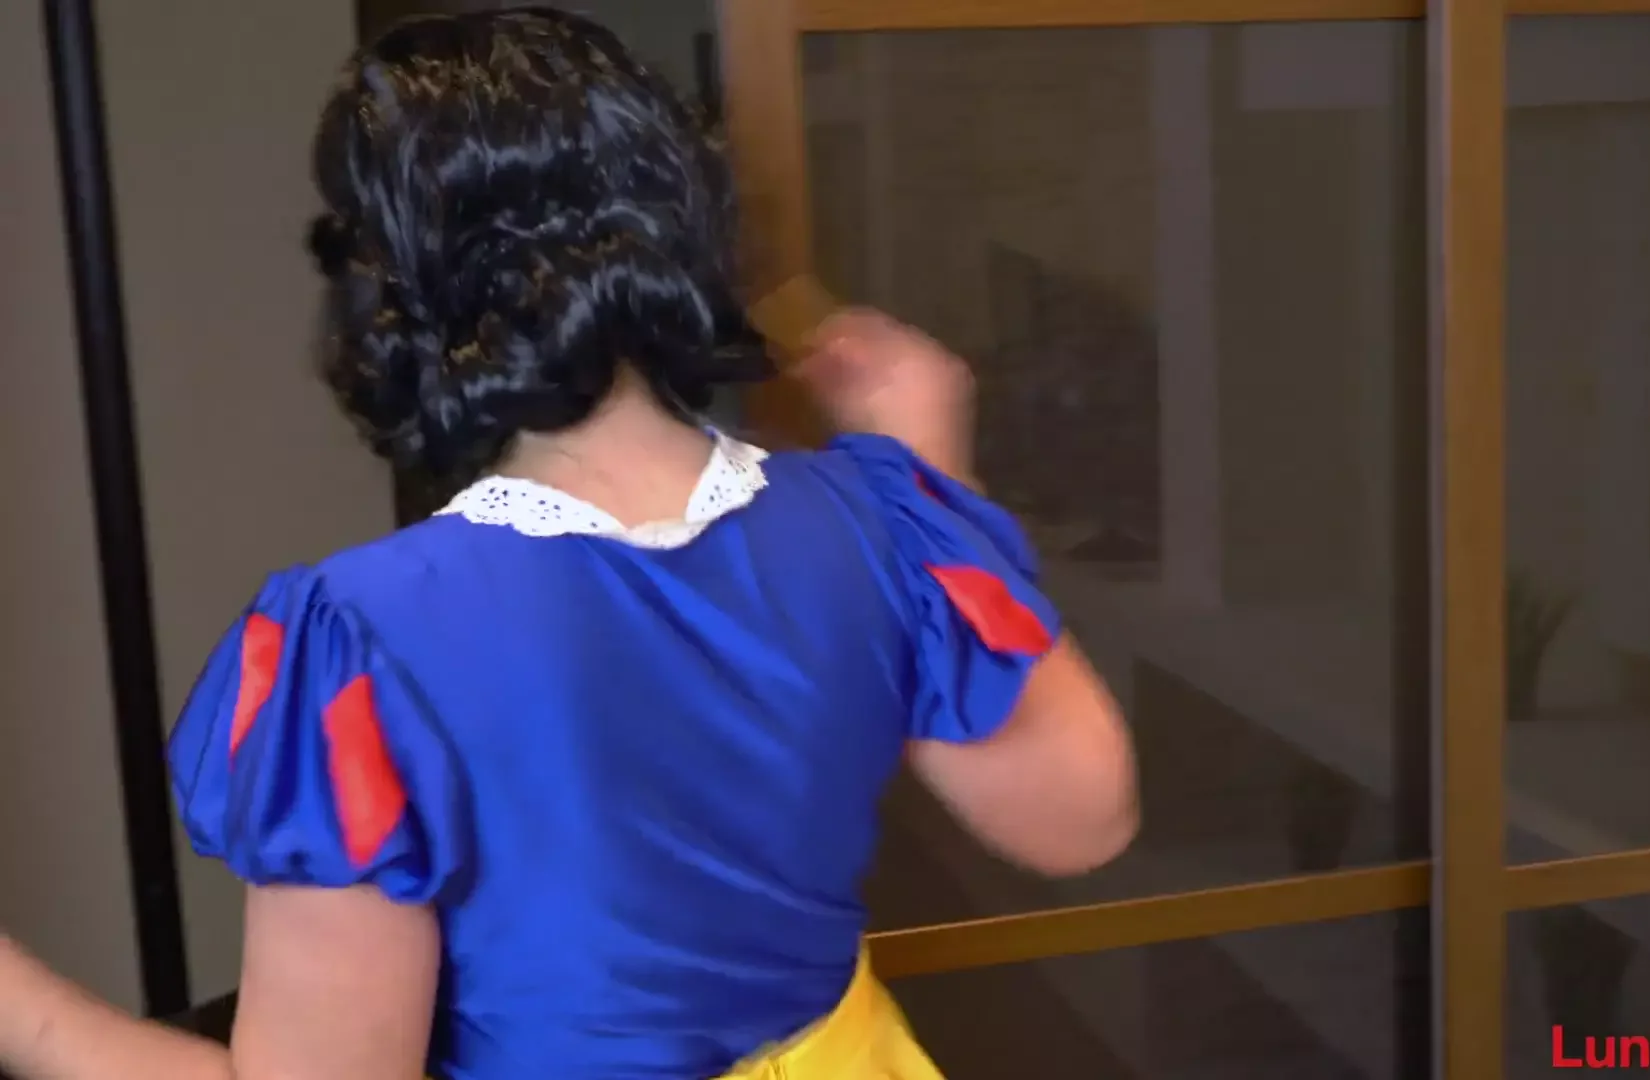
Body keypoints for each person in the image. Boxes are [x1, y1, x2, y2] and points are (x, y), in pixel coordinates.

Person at [0, 8, 1136, 1079]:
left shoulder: (365, 640)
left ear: (390, 289)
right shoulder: (880, 519)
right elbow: (1081, 822)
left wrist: (28, 1012)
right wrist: (933, 478)